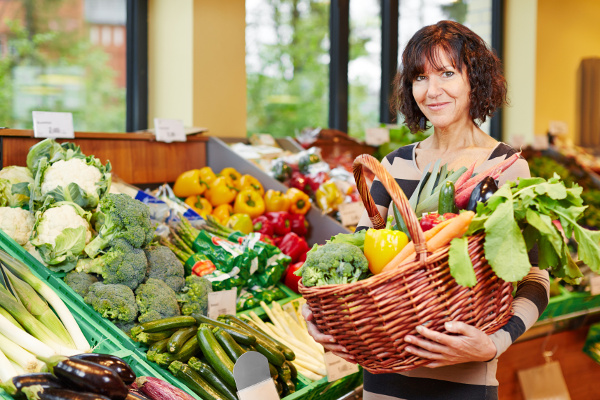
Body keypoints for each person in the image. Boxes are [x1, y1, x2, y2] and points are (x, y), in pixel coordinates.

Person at [302, 20, 550, 400]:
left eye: (447, 74)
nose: (432, 91)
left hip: (463, 381)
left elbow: (535, 277)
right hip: (383, 378)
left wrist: (495, 343)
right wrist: (320, 311)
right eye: (420, 77)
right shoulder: (394, 165)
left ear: (476, 80)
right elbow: (365, 265)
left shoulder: (505, 167)